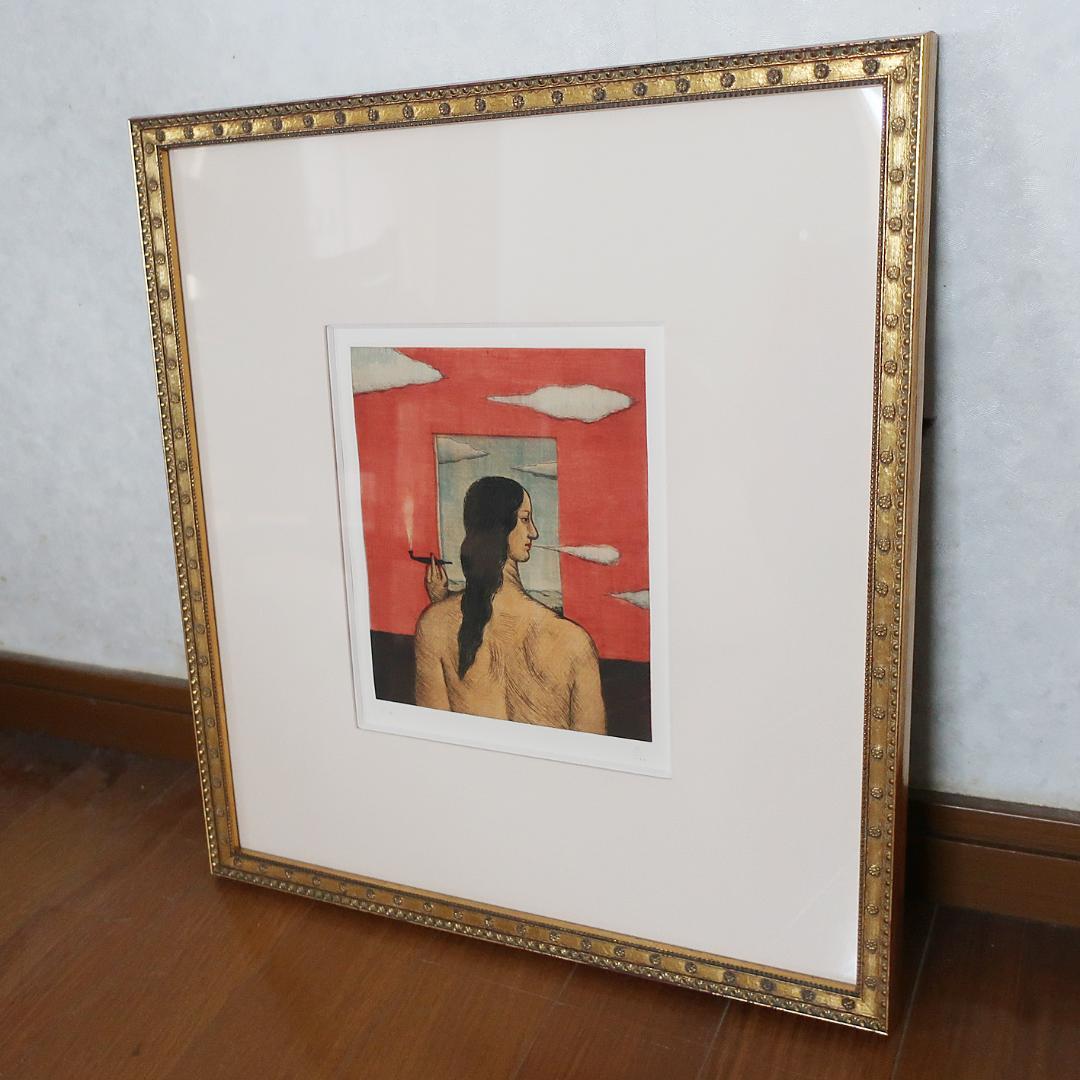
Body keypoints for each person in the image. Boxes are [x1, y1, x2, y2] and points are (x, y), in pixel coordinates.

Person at [414, 476, 606, 734]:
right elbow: (592, 745)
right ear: (499, 526)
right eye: (525, 519)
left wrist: (441, 603)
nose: (534, 532)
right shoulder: (573, 642)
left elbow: (433, 733)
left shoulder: (433, 626)